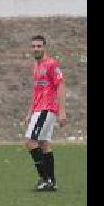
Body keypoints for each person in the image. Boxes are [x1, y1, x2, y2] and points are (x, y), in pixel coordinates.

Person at [22, 35, 67, 192]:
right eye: (33, 46)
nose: (36, 49)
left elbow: (60, 86)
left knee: (30, 141)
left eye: (39, 46)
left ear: (45, 47)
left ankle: (45, 178)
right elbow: (36, 92)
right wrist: (29, 112)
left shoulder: (51, 64)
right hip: (38, 108)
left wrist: (62, 111)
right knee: (44, 144)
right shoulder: (35, 66)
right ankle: (51, 182)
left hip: (47, 109)